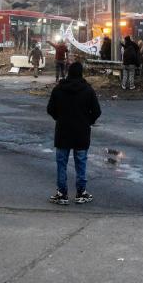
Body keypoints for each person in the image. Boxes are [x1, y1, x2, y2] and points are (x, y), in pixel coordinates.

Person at [47, 62, 101, 205]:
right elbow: (97, 111)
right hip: (81, 132)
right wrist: (87, 121)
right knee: (81, 163)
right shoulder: (88, 90)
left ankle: (62, 194)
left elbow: (50, 109)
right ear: (81, 73)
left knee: (61, 163)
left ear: (68, 72)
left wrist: (59, 118)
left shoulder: (59, 89)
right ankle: (81, 192)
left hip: (63, 131)